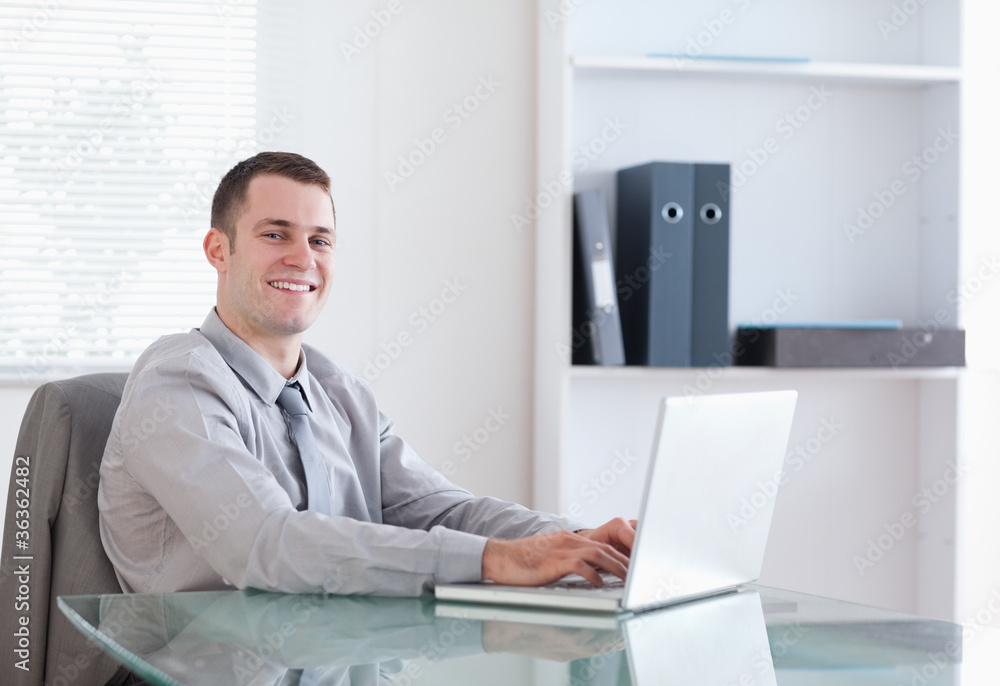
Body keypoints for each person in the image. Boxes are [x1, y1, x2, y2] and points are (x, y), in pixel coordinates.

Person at [98, 151, 635, 596]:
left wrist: (577, 539)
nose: (303, 258)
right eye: (275, 234)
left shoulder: (338, 391)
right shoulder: (178, 382)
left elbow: (443, 512)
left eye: (320, 240)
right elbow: (268, 545)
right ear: (219, 249)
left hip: (335, 661)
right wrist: (496, 561)